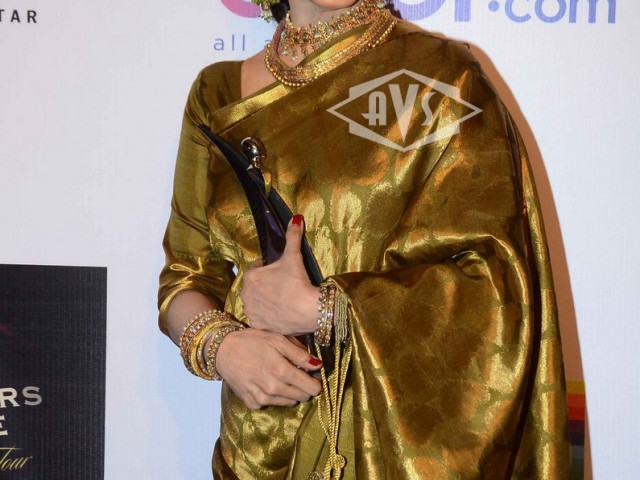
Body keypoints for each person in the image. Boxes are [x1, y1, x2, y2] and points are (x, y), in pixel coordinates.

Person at [158, 0, 571, 478]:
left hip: (391, 443)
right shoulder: (216, 95)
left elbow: (498, 285)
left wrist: (326, 310)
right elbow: (184, 276)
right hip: (259, 446)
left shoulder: (437, 76)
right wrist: (224, 348)